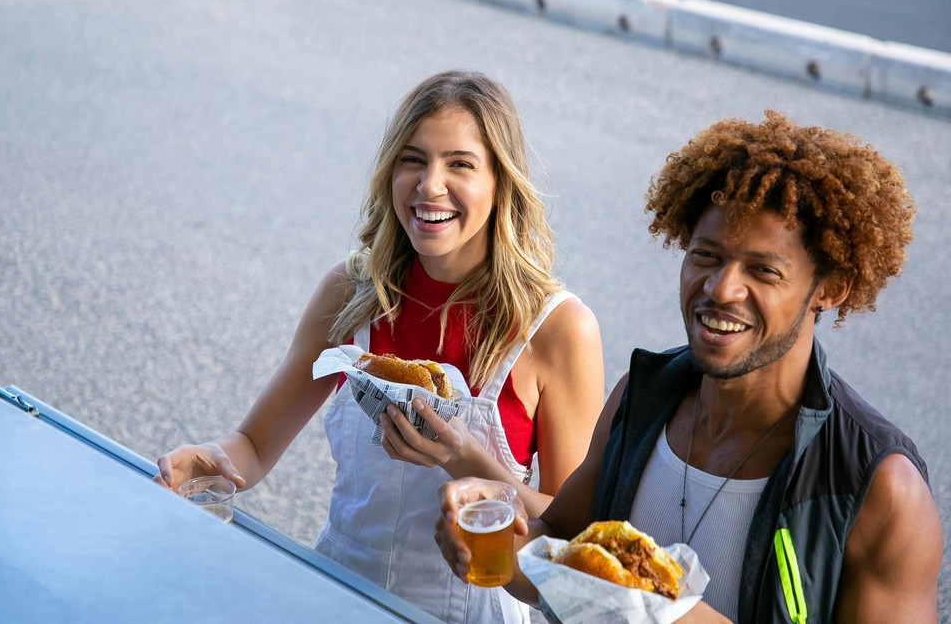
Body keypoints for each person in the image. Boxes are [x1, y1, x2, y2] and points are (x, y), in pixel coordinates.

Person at [435, 110, 943, 622]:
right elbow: (561, 556)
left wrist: (675, 615)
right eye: (706, 256)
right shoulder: (643, 396)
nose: (721, 289)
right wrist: (495, 534)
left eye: (763, 271)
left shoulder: (879, 487)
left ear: (830, 290)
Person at [155, 70, 605, 623]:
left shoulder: (559, 329)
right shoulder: (348, 293)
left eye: (459, 164)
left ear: (500, 182)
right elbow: (252, 444)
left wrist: (463, 457)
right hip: (332, 599)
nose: (429, 185)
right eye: (413, 160)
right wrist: (212, 461)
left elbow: (571, 536)